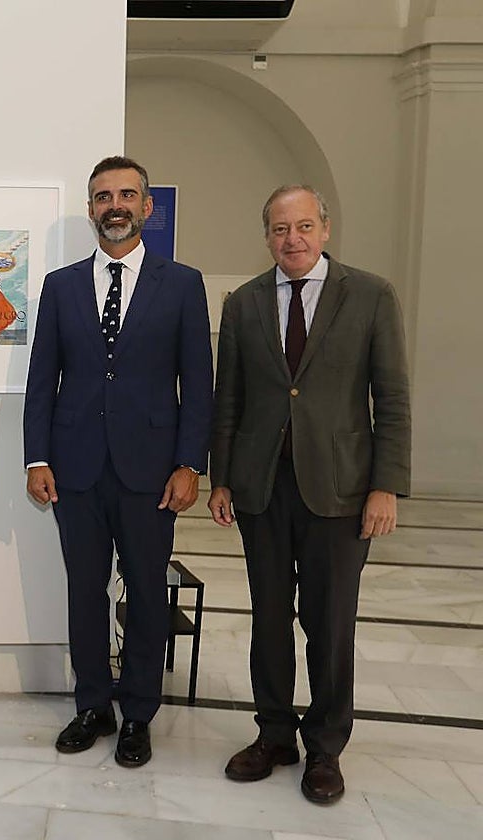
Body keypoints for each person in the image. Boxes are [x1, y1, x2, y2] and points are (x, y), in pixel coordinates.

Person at [209, 185, 411, 804]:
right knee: (268, 618)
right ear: (266, 235)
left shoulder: (371, 295)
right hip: (261, 489)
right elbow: (230, 400)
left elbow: (392, 397)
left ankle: (325, 749)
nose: (290, 239)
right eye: (278, 229)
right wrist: (221, 477)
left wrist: (385, 486)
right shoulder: (243, 303)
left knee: (329, 623)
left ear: (325, 229)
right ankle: (273, 734)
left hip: (342, 492)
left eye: (302, 227)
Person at [24, 155, 213, 769]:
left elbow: (199, 384)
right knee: (84, 591)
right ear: (90, 209)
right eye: (103, 196)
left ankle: (137, 714)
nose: (115, 206)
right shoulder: (61, 285)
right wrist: (37, 457)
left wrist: (189, 463)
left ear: (146, 207)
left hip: (152, 472)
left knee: (148, 595)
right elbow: (41, 382)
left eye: (127, 195)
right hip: (75, 468)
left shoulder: (182, 284)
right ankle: (92, 705)